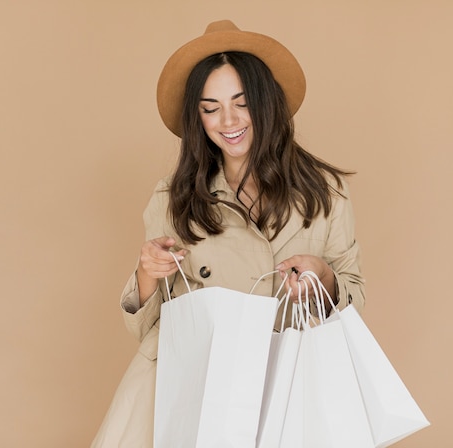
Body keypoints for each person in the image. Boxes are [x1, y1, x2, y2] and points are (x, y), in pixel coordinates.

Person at [91, 19, 365, 447]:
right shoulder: (174, 197)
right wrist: (148, 271)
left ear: (266, 102)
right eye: (210, 107)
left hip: (287, 379)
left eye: (241, 102)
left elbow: (353, 294)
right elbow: (147, 326)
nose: (228, 120)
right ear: (196, 116)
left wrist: (323, 278)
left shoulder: (324, 191)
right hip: (195, 385)